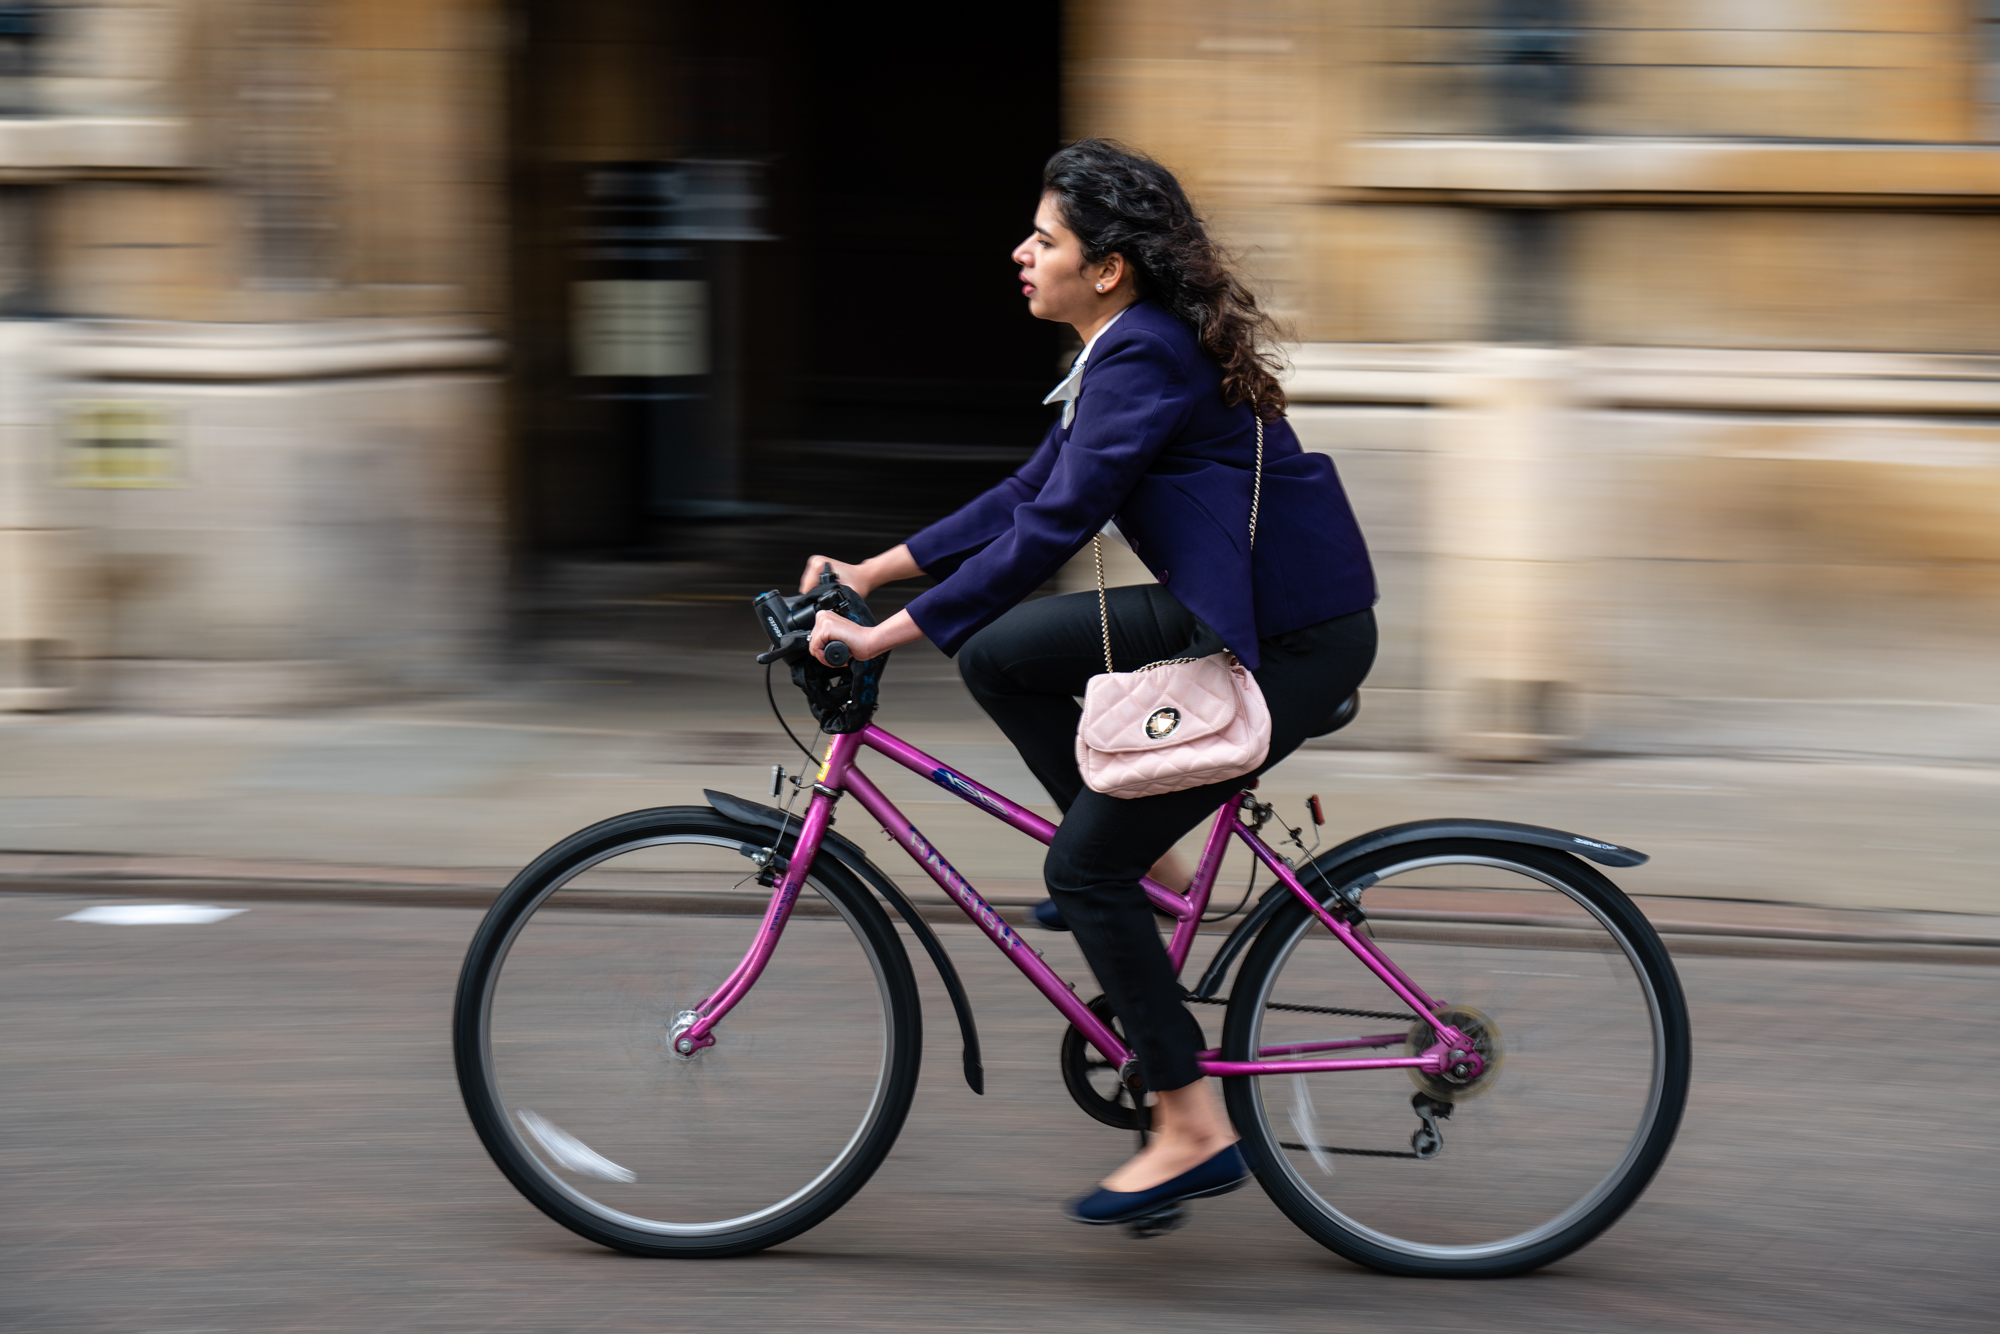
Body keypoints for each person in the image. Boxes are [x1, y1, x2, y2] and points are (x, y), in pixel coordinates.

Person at [797, 139, 1378, 1229]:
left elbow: (1053, 527)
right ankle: (1147, 864)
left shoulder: (1142, 355)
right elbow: (1031, 489)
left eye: (1044, 238)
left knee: (1082, 864)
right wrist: (871, 572)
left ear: (1105, 266)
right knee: (1001, 654)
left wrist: (882, 640)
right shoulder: (1125, 348)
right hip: (1234, 601)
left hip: (1292, 633)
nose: (1020, 252)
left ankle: (1189, 1127)